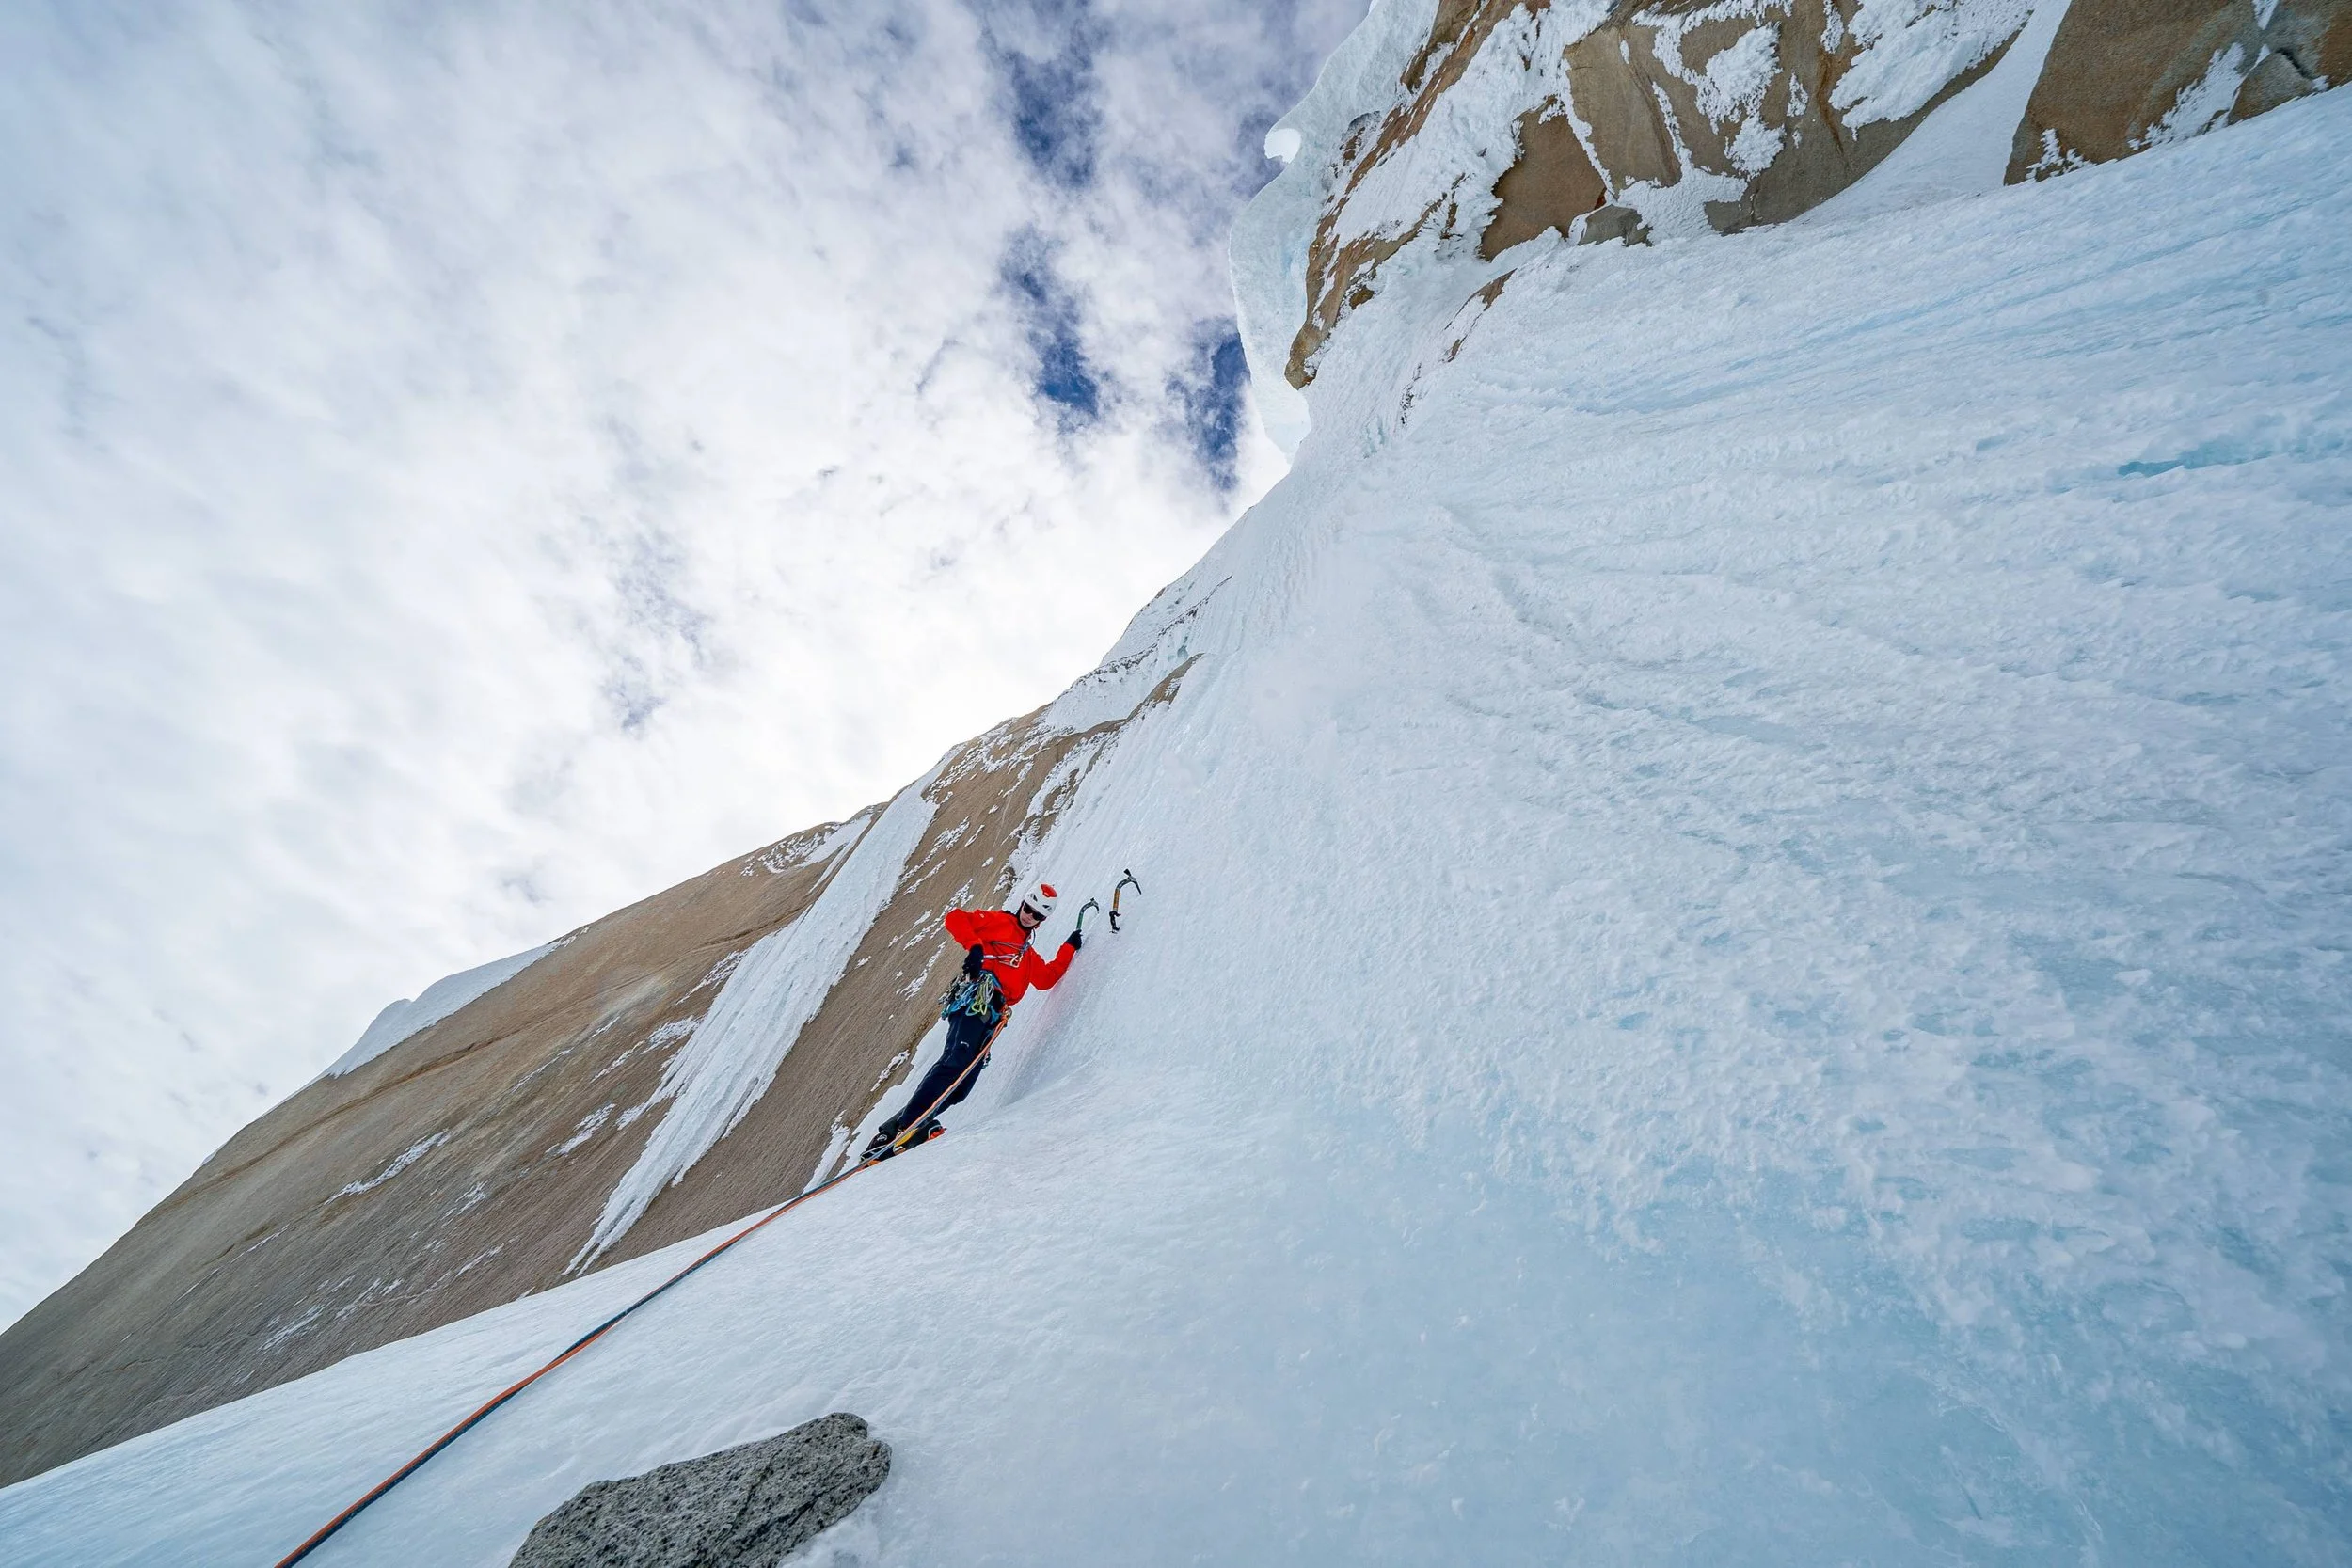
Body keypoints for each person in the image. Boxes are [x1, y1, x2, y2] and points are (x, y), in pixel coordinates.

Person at [865, 880, 1082, 1156]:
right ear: (1023, 904)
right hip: (976, 1003)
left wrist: (1069, 948)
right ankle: (912, 1126)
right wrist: (975, 947)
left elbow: (1046, 978)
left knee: (961, 1087)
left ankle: (895, 1129)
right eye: (1028, 908)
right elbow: (955, 918)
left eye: (1037, 915)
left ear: (1042, 920)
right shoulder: (1000, 922)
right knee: (956, 1061)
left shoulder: (1027, 955)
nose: (1029, 916)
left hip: (991, 1019)